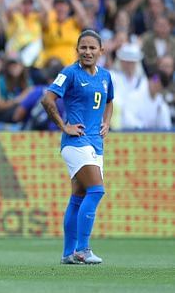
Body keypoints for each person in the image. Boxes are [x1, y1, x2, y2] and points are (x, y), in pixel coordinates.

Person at [42, 29, 114, 265]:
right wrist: (64, 126)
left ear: (101, 51)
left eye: (92, 47)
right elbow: (47, 99)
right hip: (76, 142)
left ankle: (68, 253)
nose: (87, 51)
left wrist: (107, 122)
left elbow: (109, 100)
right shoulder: (70, 73)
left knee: (78, 197)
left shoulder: (105, 76)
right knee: (96, 190)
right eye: (83, 47)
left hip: (95, 143)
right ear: (77, 50)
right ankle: (83, 249)